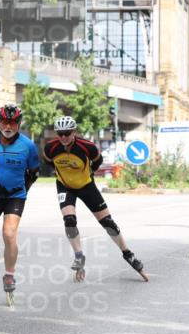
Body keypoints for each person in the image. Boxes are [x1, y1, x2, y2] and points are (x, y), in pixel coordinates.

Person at [42, 115, 147, 281]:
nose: (63, 137)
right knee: (69, 220)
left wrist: (87, 172)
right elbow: (49, 163)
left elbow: (97, 161)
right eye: (60, 133)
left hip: (86, 186)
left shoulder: (87, 147)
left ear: (74, 132)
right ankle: (79, 256)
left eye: (67, 133)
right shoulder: (51, 148)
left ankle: (128, 253)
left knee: (108, 223)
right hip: (65, 185)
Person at [0, 104, 40, 304]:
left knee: (9, 233)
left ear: (19, 124)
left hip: (15, 196)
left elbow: (34, 172)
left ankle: (9, 274)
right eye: (4, 122)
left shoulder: (28, 146)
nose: (8, 126)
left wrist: (22, 191)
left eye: (12, 122)